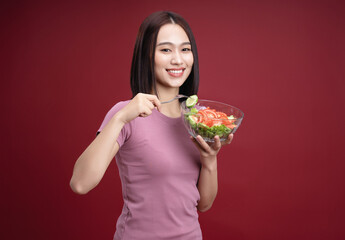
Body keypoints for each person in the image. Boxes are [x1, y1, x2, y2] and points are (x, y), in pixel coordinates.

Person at [70, 11, 233, 240]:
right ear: (146, 55)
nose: (178, 59)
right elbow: (80, 183)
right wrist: (120, 118)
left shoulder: (197, 119)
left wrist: (210, 160)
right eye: (166, 49)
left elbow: (203, 205)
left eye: (185, 49)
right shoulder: (126, 113)